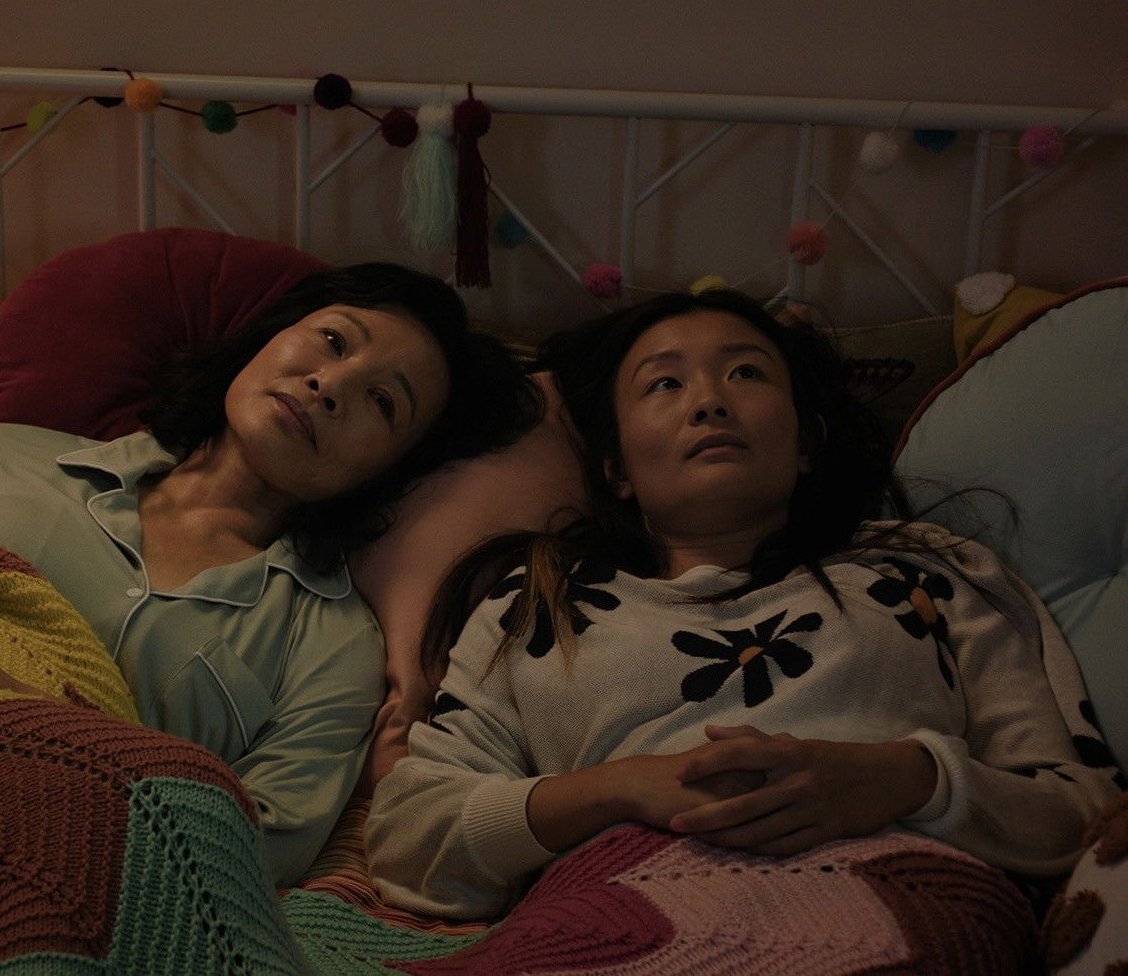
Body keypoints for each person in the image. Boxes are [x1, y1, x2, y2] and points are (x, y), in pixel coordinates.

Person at [0, 263, 542, 886]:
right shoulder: (2, 456)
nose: (328, 386)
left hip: (23, 873)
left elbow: (254, 853)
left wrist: (21, 714)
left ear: (392, 468)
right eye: (332, 342)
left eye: (383, 403)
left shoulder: (333, 643)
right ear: (269, 337)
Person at [366, 288, 1120, 920]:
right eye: (663, 384)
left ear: (804, 442)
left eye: (746, 373)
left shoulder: (927, 573)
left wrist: (912, 779)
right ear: (616, 468)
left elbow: (1078, 810)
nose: (708, 402)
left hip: (905, 903)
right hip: (619, 918)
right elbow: (410, 836)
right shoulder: (539, 603)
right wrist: (617, 789)